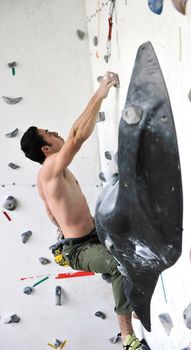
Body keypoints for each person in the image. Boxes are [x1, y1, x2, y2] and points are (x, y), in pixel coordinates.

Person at [20, 72, 146, 350]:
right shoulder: (50, 169)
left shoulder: (51, 175)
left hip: (88, 236)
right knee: (118, 265)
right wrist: (100, 93)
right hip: (78, 249)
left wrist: (62, 229)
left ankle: (135, 304)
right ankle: (127, 337)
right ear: (46, 148)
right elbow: (76, 134)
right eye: (49, 134)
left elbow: (51, 213)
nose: (56, 133)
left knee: (130, 245)